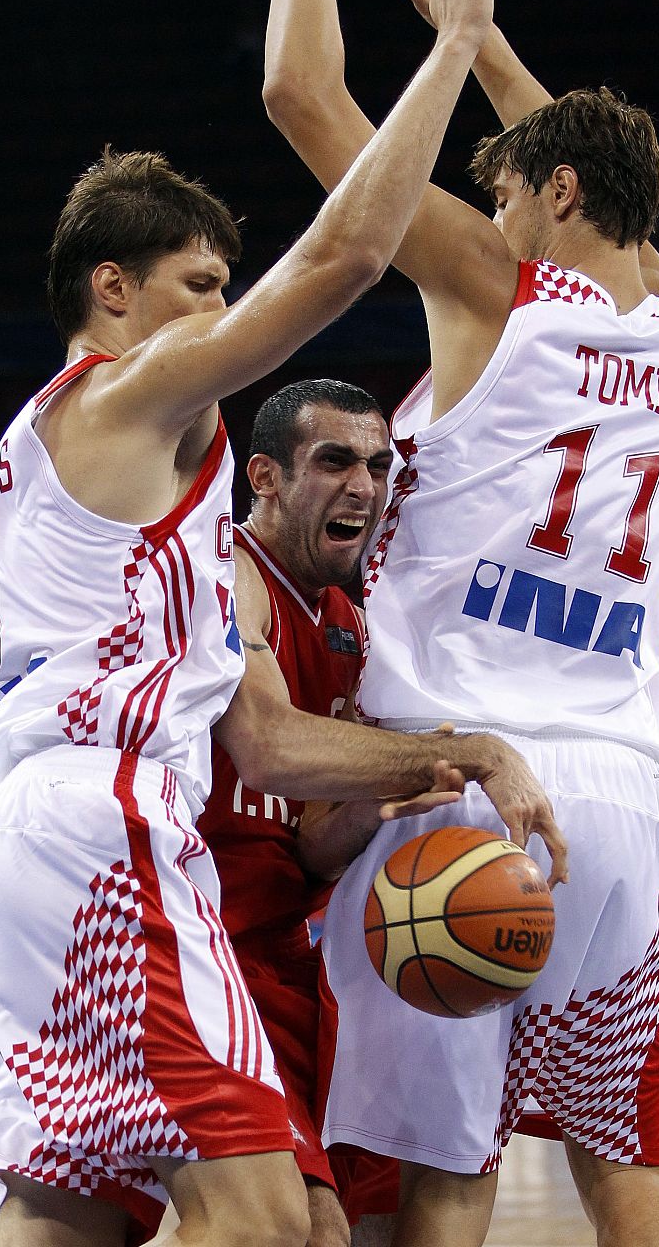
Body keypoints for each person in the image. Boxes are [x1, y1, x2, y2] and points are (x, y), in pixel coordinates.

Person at [0, 0, 565, 1247]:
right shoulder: (118, 393)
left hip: (19, 836)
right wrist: (453, 44)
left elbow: (268, 744)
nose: (221, 317)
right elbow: (339, 257)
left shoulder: (77, 458)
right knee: (272, 1225)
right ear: (112, 289)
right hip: (102, 820)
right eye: (200, 285)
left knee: (70, 1220)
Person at [264, 0, 659, 1244]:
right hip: (628, 815)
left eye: (518, 194)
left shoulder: (495, 287)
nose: (499, 213)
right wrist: (504, 54)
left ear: (555, 196)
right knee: (618, 1165)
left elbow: (299, 99)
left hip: (461, 794)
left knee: (446, 1181)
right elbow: (621, 230)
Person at [197, 378, 401, 1247]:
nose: (364, 483)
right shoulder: (226, 574)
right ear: (267, 477)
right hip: (206, 943)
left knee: (382, 1213)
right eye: (335, 460)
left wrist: (388, 794)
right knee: (298, 1227)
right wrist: (453, 753)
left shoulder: (348, 618)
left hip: (291, 951)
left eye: (378, 464)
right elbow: (269, 748)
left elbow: (316, 843)